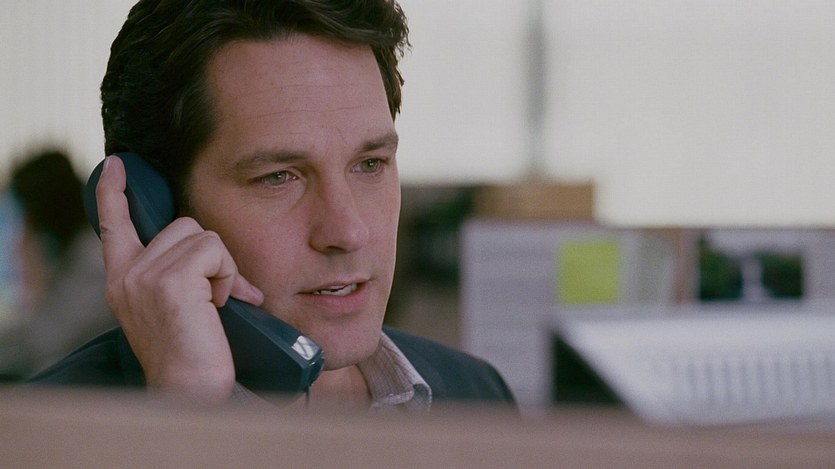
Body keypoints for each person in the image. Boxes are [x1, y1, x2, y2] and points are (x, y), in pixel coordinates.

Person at [28, 0, 515, 412]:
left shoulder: (478, 396)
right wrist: (189, 415)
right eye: (279, 177)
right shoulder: (40, 436)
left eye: (370, 164)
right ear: (153, 210)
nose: (349, 232)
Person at [0, 149, 116, 378]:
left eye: (27, 216)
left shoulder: (94, 260)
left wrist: (35, 272)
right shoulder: (74, 254)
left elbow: (40, 341)